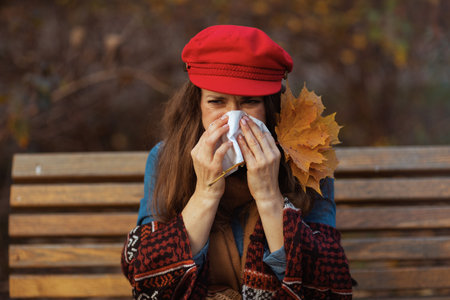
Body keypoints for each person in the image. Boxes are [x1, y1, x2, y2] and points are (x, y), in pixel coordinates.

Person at [121, 25, 353, 299]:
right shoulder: (165, 158)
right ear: (197, 104)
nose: (233, 118)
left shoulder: (308, 158)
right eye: (216, 102)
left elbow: (327, 285)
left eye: (249, 102)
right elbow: (146, 276)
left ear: (269, 106)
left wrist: (269, 196)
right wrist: (206, 194)